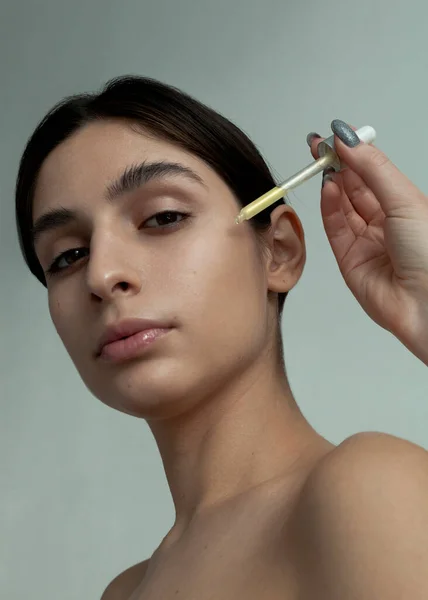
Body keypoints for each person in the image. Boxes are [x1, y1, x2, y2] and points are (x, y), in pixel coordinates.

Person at [15, 75, 428, 599]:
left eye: (163, 217)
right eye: (67, 255)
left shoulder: (367, 490)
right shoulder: (122, 593)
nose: (101, 275)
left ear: (278, 251)